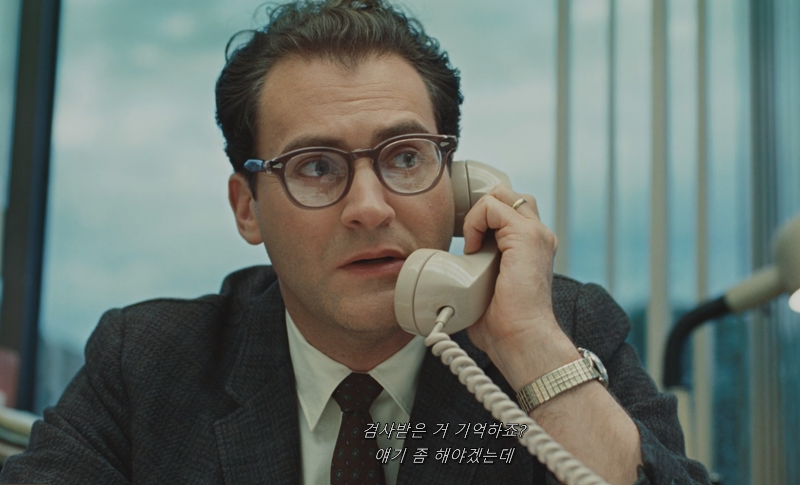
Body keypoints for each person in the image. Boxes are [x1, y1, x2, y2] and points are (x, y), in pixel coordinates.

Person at [0, 1, 711, 484]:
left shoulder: (564, 330)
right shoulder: (147, 360)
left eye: (405, 158)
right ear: (248, 208)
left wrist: (530, 348)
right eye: (316, 167)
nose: (370, 208)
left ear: (459, 183)